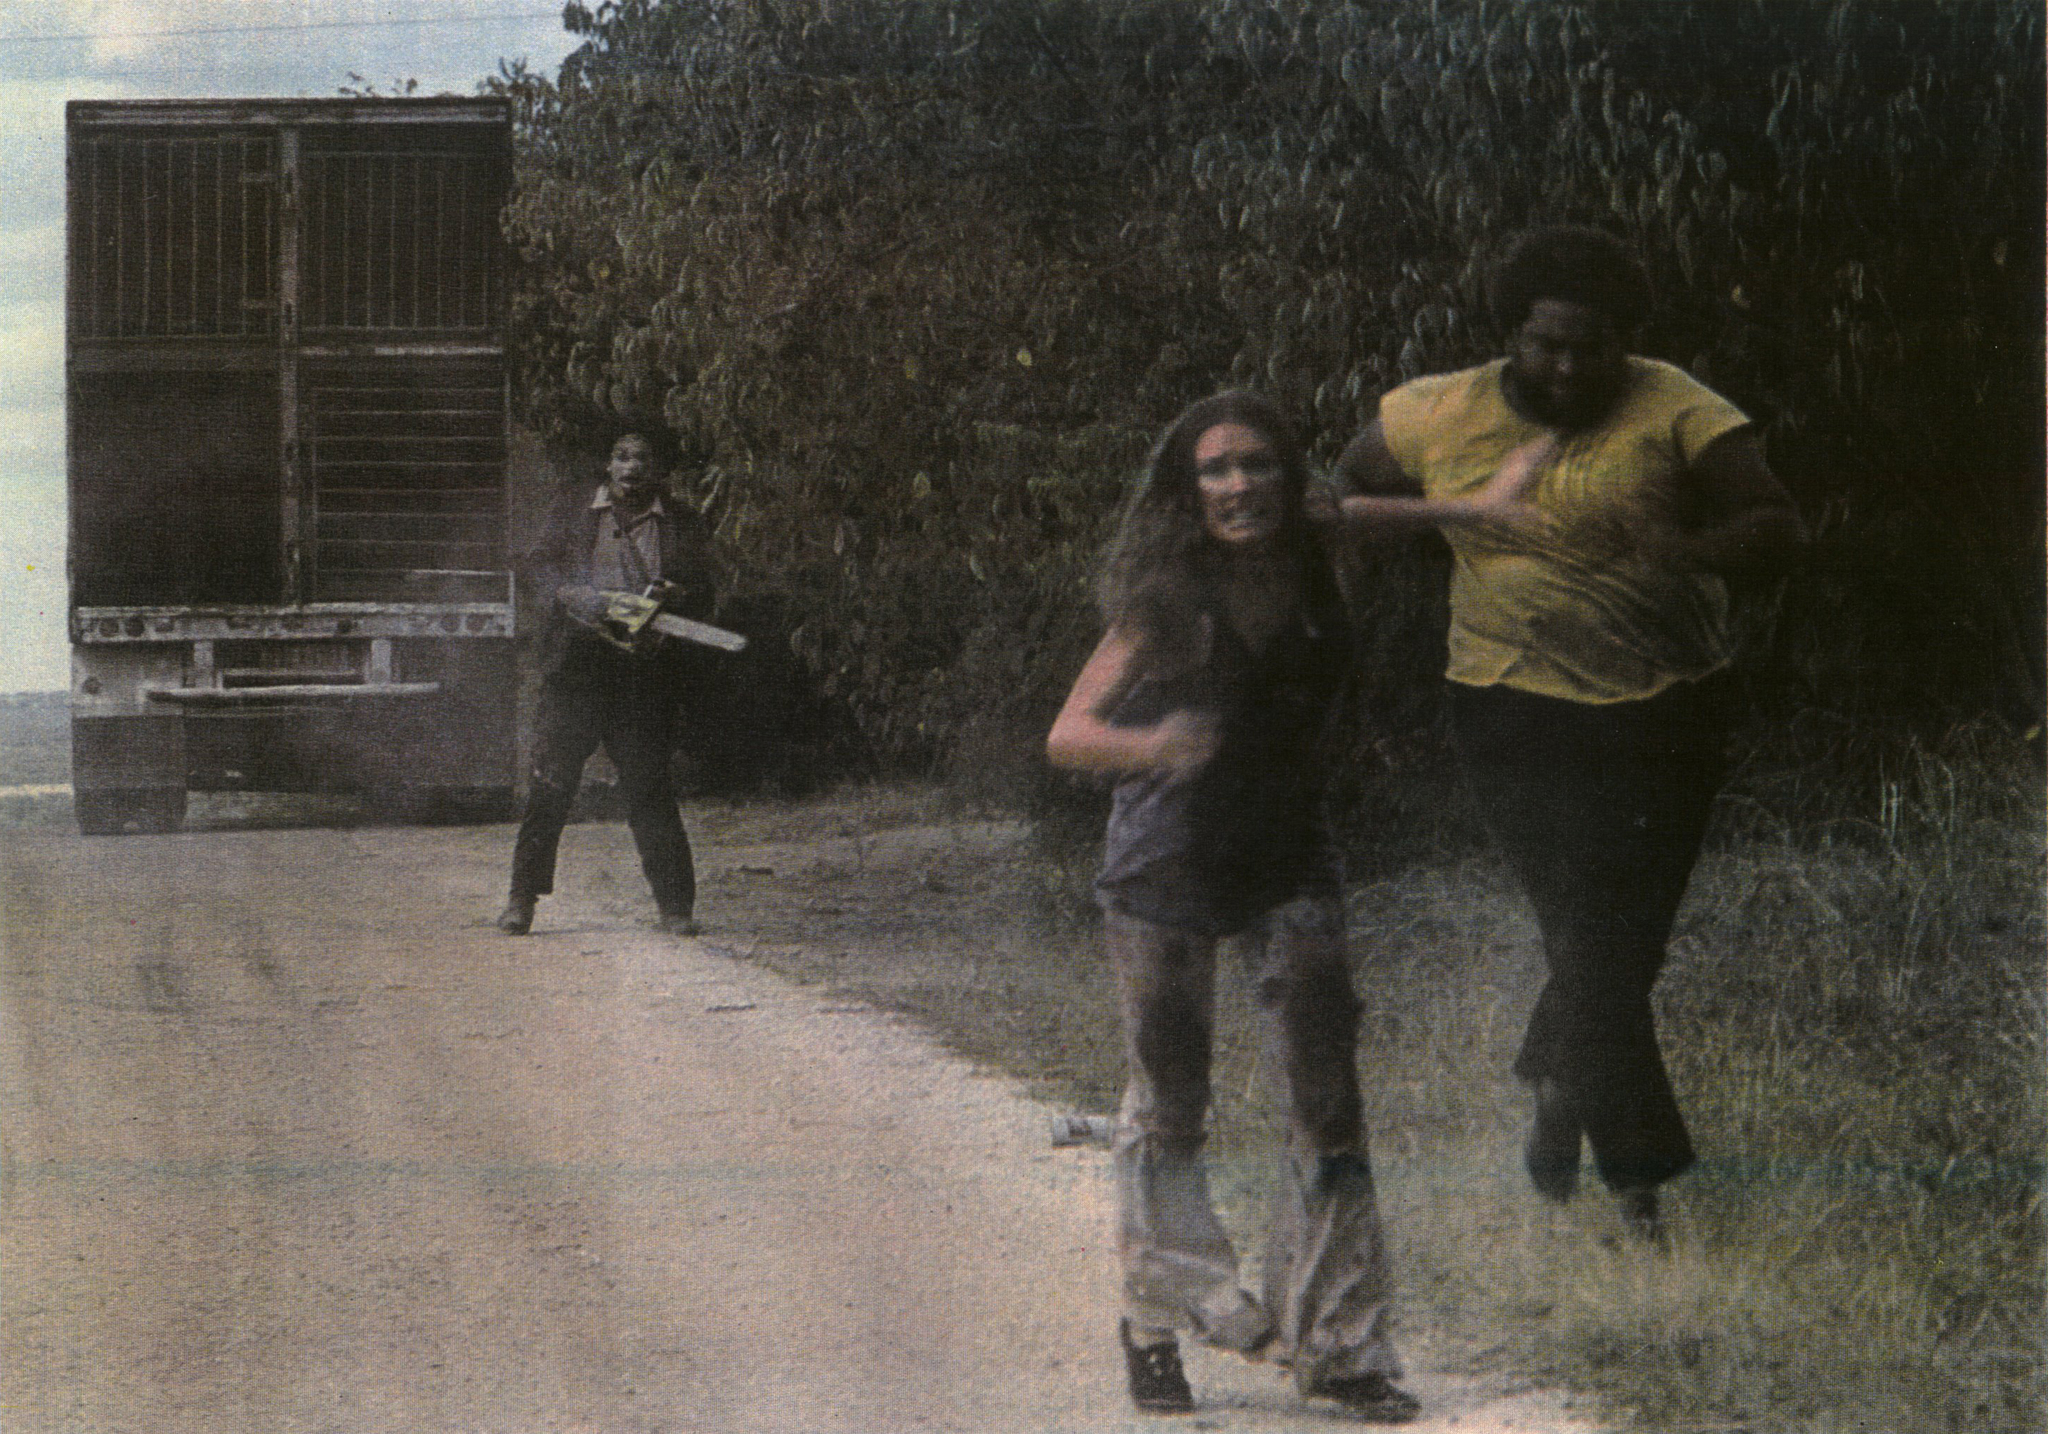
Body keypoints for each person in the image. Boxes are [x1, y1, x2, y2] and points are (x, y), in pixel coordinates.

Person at [1325, 226, 1804, 1239]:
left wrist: (1678, 551)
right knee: (1583, 934)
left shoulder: (1677, 406)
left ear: (1624, 341)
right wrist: (1449, 526)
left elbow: (1774, 530)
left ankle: (1556, 1082)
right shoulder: (1432, 409)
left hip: (1666, 706)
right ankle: (1639, 1189)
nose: (1568, 366)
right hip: (1508, 705)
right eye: (1546, 344)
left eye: (1592, 347)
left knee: (1618, 947)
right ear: (1510, 335)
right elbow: (1345, 499)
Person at [1046, 391, 1420, 1422]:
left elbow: (1387, 514)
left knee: (1328, 1101)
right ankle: (1156, 1319)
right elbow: (1067, 732)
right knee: (1169, 1104)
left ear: (1287, 477)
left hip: (1288, 857)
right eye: (1213, 470)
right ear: (1186, 490)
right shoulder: (1163, 599)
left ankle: (1340, 1347)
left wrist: (1495, 512)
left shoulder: (1314, 550)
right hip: (1164, 865)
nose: (1237, 485)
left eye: (1255, 464)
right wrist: (1148, 746)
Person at [496, 427, 719, 938]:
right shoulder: (576, 512)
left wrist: (673, 599)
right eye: (621, 457)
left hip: (641, 673)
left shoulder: (682, 522)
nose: (631, 468)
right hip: (577, 668)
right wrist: (568, 594)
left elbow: (703, 593)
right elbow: (535, 567)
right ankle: (521, 899)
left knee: (650, 789)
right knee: (550, 784)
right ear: (608, 464)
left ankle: (675, 906)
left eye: (642, 458)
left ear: (657, 468)